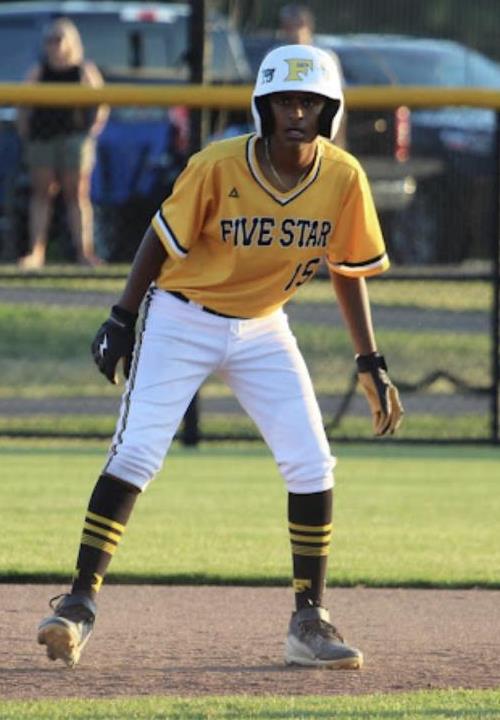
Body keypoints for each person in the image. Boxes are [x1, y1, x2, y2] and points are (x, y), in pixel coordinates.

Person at [37, 44, 403, 670]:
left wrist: (369, 360)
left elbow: (348, 268)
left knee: (311, 461)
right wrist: (122, 316)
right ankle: (78, 604)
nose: (296, 113)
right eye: (284, 101)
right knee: (137, 451)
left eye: (309, 101)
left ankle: (309, 621)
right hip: (183, 317)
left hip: (264, 326)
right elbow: (160, 237)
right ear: (263, 107)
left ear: (330, 111)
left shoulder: (343, 177)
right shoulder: (218, 165)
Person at [16, 17, 108, 269]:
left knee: (77, 195)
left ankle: (84, 252)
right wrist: (24, 130)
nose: (53, 44)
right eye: (49, 39)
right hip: (43, 138)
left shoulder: (83, 70)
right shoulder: (39, 70)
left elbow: (102, 102)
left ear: (71, 41)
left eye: (58, 39)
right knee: (41, 194)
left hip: (74, 138)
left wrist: (93, 129)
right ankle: (36, 252)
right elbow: (23, 104)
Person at [276, 3, 348, 149]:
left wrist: (339, 144)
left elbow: (338, 102)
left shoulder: (325, 57)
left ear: (308, 27)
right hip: (284, 130)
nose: (294, 31)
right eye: (289, 27)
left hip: (317, 127)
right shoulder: (275, 56)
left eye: (299, 25)